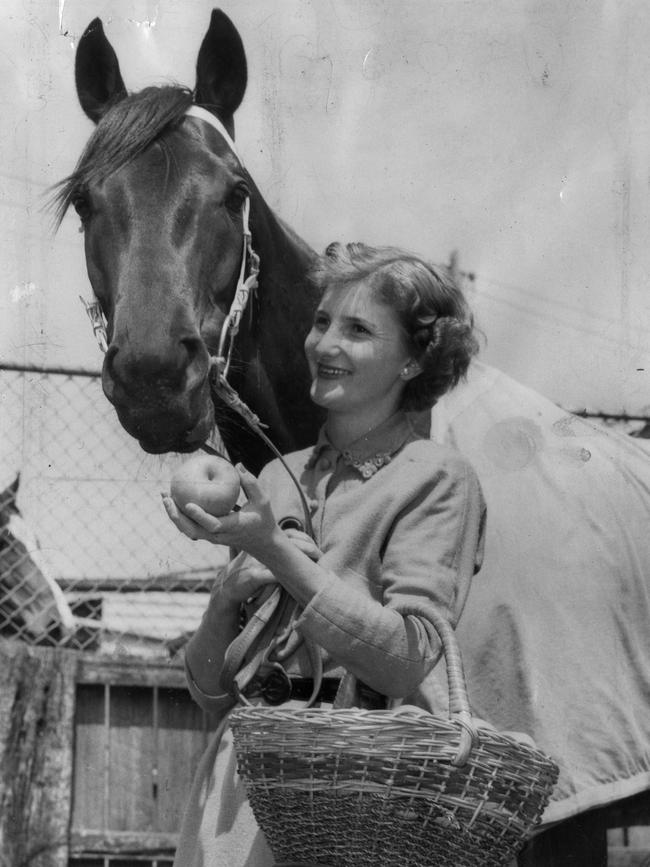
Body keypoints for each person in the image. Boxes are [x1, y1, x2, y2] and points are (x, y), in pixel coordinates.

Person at [162, 242, 487, 867]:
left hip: (357, 793)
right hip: (241, 791)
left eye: (358, 329)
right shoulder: (277, 478)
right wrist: (227, 598)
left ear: (414, 362)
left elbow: (407, 660)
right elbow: (211, 693)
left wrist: (277, 552)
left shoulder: (436, 477)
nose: (324, 343)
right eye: (321, 322)